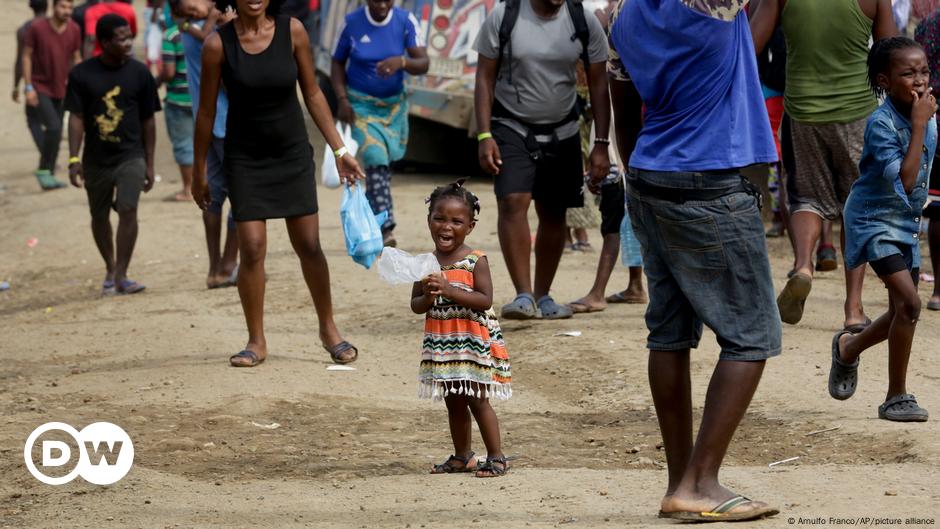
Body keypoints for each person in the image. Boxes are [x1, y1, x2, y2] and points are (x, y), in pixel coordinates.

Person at [610, 0, 781, 522]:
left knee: (669, 332)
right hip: (708, 181)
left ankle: (680, 481)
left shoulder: (623, 13)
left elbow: (622, 102)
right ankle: (701, 480)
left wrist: (640, 175)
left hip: (649, 175)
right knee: (752, 335)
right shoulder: (712, 4)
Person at [193, 0, 365, 367]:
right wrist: (199, 170)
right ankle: (256, 340)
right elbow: (206, 111)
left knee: (308, 244)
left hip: (291, 153)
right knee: (252, 248)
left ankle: (328, 328)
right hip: (245, 159)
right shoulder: (217, 45)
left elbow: (314, 93)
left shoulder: (293, 31)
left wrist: (339, 149)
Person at [751, 0, 896, 331]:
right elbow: (892, 52)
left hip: (802, 111)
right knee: (854, 208)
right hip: (858, 112)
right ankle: (853, 308)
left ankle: (803, 266)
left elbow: (750, 44)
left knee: (806, 198)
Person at [474, 0, 611, 320]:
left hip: (563, 129)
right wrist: (484, 135)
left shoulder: (583, 21)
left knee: (554, 212)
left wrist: (600, 143)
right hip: (510, 126)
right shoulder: (504, 16)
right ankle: (523, 295)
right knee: (512, 200)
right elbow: (484, 78)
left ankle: (542, 295)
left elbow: (600, 82)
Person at [831, 37, 934, 422]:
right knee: (909, 304)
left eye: (923, 71)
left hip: (905, 222)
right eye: (908, 74)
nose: (920, 81)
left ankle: (848, 349)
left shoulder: (928, 116)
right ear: (885, 81)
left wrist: (925, 122)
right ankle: (896, 397)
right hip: (873, 221)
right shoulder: (881, 124)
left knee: (898, 312)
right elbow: (906, 180)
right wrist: (921, 124)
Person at [411, 181, 511, 478]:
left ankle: (496, 457)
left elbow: (485, 299)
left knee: (478, 400)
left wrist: (449, 290)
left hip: (472, 344)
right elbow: (416, 305)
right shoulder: (426, 263)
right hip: (443, 345)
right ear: (429, 220)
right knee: (453, 401)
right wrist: (428, 296)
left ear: (470, 226)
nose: (447, 227)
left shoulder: (475, 261)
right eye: (439, 218)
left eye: (457, 221)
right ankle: (462, 455)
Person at [65, 14, 160, 295]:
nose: (129, 42)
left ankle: (122, 273)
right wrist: (73, 160)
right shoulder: (82, 75)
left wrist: (150, 163)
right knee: (99, 215)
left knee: (129, 209)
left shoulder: (140, 73)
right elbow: (77, 118)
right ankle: (109, 265)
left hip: (131, 155)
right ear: (104, 42)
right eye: (121, 38)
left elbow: (149, 120)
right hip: (96, 160)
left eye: (130, 36)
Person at [567, 0, 645, 313]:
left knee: (616, 215)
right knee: (627, 216)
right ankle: (636, 285)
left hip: (622, 143)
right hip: (619, 137)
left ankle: (598, 292)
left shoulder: (614, 13)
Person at [331, 0, 429, 248]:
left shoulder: (405, 21)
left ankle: (368, 219)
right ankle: (386, 228)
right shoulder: (352, 23)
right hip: (360, 106)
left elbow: (424, 63)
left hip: (393, 108)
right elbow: (337, 63)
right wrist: (342, 99)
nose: (383, 4)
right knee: (376, 159)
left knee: (382, 167)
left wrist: (402, 62)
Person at [169, 0, 239, 288]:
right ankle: (228, 265)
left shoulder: (187, 31)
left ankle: (215, 268)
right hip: (225, 121)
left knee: (214, 194)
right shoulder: (211, 36)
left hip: (205, 123)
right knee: (241, 194)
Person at [20, 0, 81, 191]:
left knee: (56, 131)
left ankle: (49, 174)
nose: (67, 11)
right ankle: (44, 169)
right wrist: (28, 87)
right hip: (40, 86)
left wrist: (80, 82)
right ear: (53, 7)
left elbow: (76, 57)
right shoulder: (37, 28)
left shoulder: (74, 30)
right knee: (54, 127)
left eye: (70, 8)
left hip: (62, 87)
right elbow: (26, 55)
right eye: (63, 7)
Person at [915, 7, 940, 310]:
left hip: (931, 114)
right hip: (932, 115)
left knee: (937, 207)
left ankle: (937, 291)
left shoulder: (929, 24)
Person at [159, 10, 193, 202]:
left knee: (183, 145)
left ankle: (188, 189)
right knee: (202, 144)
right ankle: (204, 184)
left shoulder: (171, 35)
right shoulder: (204, 30)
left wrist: (158, 79)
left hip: (178, 98)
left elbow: (169, 71)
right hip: (200, 97)